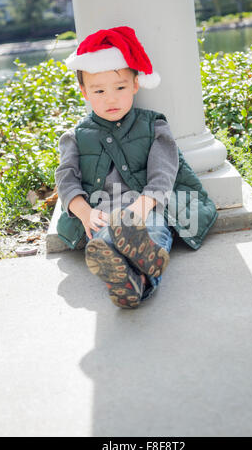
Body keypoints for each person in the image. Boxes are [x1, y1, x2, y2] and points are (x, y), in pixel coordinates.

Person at [55, 26, 218, 310]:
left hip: (147, 208)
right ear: (84, 92)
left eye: (120, 88)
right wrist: (84, 213)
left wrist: (141, 208)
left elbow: (163, 171)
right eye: (99, 90)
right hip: (103, 212)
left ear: (135, 85)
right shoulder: (76, 137)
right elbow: (66, 179)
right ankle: (131, 279)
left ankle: (138, 270)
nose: (111, 98)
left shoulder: (154, 125)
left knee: (152, 231)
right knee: (105, 240)